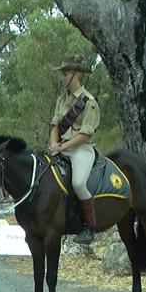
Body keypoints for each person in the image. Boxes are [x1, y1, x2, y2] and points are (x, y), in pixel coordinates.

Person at [49, 54, 100, 245]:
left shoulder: (89, 102)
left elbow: (86, 134)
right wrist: (54, 143)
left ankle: (89, 227)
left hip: (80, 149)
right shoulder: (62, 99)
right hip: (60, 147)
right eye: (62, 74)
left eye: (66, 73)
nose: (62, 77)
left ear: (77, 75)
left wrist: (63, 146)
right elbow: (55, 125)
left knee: (78, 183)